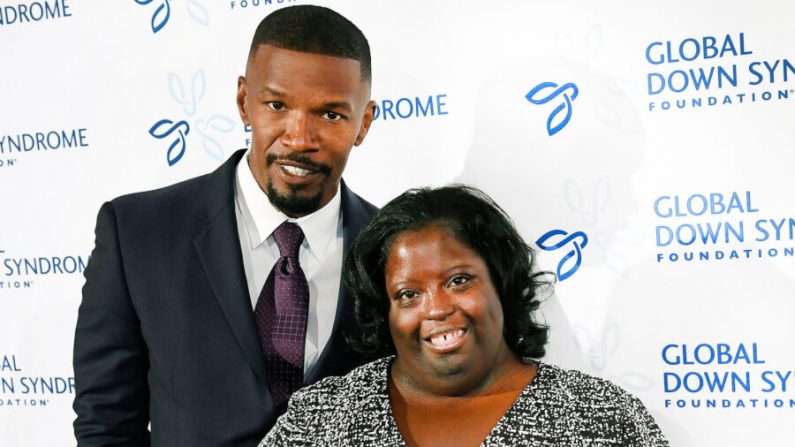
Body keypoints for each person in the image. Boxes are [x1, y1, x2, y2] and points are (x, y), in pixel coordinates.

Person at [73, 5, 378, 446]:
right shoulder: (137, 233)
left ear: (364, 122)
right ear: (243, 102)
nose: (299, 139)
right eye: (277, 105)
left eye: (330, 115)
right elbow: (106, 423)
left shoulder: (392, 247)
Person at [260, 185, 669, 446]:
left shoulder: (601, 417)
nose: (437, 308)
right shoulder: (322, 419)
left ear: (500, 280)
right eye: (408, 294)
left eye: (458, 281)